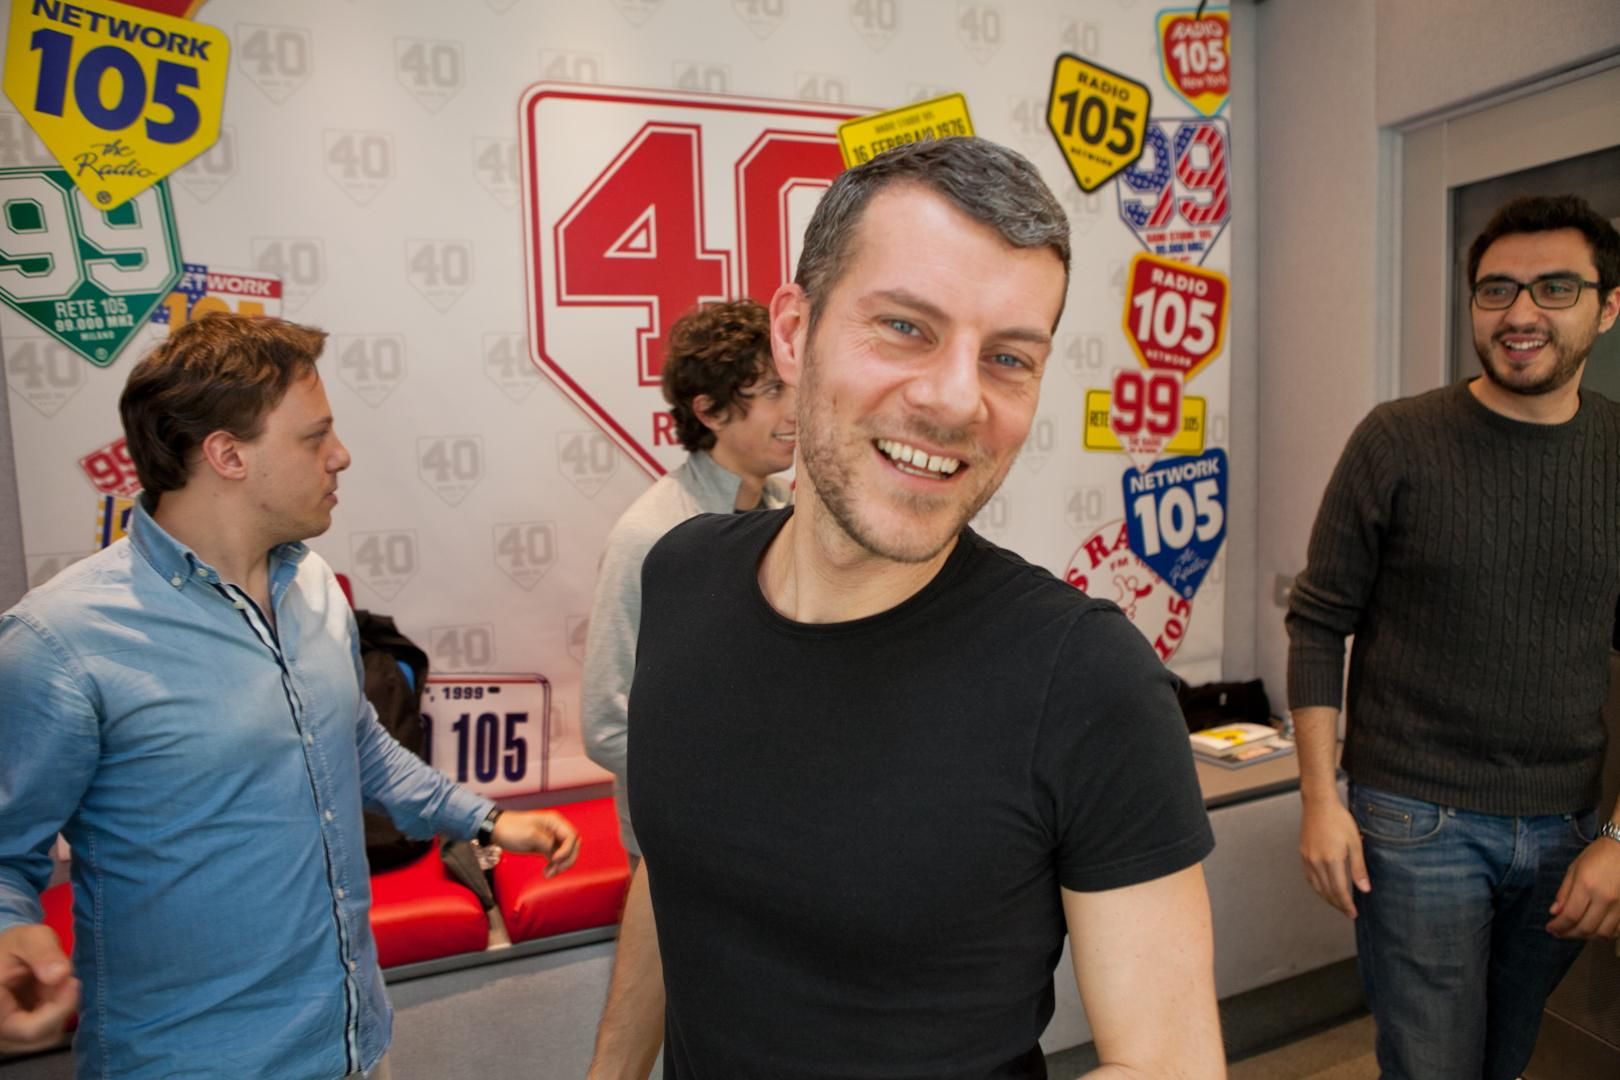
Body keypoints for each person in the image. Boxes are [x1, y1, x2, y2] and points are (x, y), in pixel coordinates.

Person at [588, 137, 1221, 1079]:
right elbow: (674, 876)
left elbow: (1169, 1065)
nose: (958, 400)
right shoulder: (679, 574)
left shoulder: (1086, 677)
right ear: (794, 333)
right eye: (905, 327)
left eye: (1008, 357)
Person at [0, 314, 581, 1079]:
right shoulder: (61, 641)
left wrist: (484, 818)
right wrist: (7, 930)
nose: (341, 456)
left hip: (353, 1047)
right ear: (228, 455)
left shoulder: (312, 585)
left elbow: (356, 742)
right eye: (314, 437)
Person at [1288, 194, 1620, 1079]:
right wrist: (1319, 799)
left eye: (1555, 288)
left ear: (1608, 307)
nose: (1520, 313)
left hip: (1568, 827)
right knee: (1433, 1065)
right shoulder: (1397, 440)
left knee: (1506, 1061)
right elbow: (1319, 619)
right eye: (1496, 290)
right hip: (1414, 821)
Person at [582, 297, 796, 861]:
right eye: (773, 391)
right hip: (680, 845)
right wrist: (734, 781)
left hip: (771, 829)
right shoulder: (650, 536)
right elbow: (606, 726)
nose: (797, 409)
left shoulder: (787, 514)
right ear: (710, 411)